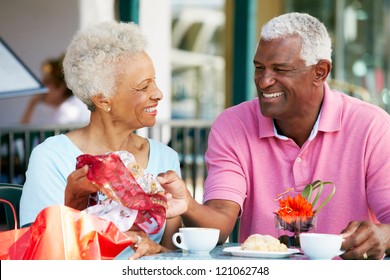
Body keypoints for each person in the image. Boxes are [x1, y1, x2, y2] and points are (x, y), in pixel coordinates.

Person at [157, 12, 390, 260]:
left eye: (280, 69)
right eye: (259, 68)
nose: (264, 81)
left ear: (320, 72)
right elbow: (221, 219)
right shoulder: (232, 125)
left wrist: (382, 236)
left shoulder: (372, 126)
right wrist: (189, 205)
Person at [19, 20, 182, 260]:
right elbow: (37, 254)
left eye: (154, 81)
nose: (158, 94)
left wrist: (158, 250)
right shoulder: (51, 157)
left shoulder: (165, 158)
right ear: (103, 99)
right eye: (144, 86)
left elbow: (174, 258)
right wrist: (73, 204)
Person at [20, 54, 90, 125]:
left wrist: (32, 103)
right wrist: (32, 103)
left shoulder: (67, 110)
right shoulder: (76, 104)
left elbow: (22, 134)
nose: (42, 87)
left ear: (62, 86)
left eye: (47, 82)